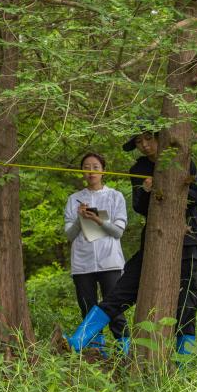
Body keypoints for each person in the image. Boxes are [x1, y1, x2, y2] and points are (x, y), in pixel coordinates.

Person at [64, 128, 197, 359]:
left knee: (186, 308)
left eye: (148, 138)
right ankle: (76, 342)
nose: (144, 144)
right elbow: (140, 207)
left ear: (160, 137)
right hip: (153, 242)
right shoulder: (138, 169)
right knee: (120, 293)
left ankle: (183, 366)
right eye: (138, 141)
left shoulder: (181, 160)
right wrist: (147, 190)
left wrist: (169, 185)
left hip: (188, 243)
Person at [63, 152, 129, 355]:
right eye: (87, 167)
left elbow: (118, 232)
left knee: (115, 307)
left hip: (110, 262)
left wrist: (99, 220)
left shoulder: (115, 196)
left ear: (103, 170)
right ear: (82, 172)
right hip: (83, 263)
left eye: (95, 167)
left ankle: (125, 350)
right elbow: (70, 235)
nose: (91, 171)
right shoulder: (74, 199)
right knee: (87, 306)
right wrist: (79, 218)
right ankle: (97, 352)